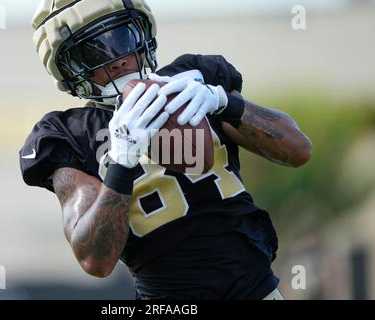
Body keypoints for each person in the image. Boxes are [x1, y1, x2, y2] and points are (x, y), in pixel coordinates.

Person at [20, 0, 312, 300]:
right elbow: (95, 259)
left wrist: (225, 102)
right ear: (71, 70)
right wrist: (121, 161)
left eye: (121, 38)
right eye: (93, 51)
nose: (116, 59)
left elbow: (299, 150)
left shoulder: (194, 80)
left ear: (142, 33)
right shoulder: (70, 133)